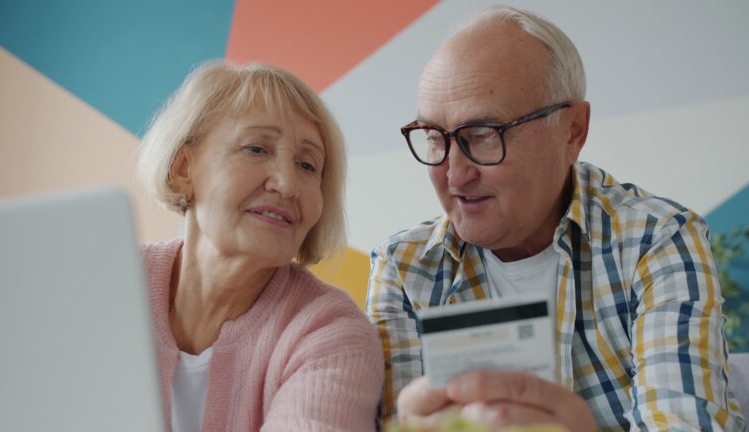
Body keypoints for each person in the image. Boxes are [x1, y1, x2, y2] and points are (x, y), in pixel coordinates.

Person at [366, 6, 746, 431]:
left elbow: (683, 423)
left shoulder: (654, 239)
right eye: (436, 138)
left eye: (485, 134)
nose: (455, 174)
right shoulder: (404, 268)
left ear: (572, 131)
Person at [136, 60, 383, 431]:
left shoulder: (330, 331)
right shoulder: (107, 287)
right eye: (256, 149)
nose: (287, 184)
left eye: (307, 165)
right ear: (183, 169)